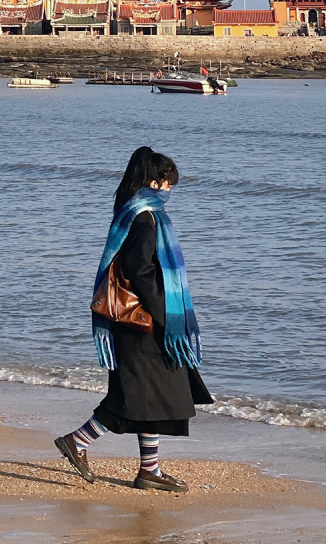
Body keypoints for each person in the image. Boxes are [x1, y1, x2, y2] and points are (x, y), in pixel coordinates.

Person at [55, 145, 212, 493]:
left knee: (151, 397)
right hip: (141, 323)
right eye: (169, 183)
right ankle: (77, 441)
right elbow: (139, 271)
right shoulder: (144, 217)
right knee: (133, 397)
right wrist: (164, 316)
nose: (171, 190)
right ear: (155, 183)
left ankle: (149, 470)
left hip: (134, 323)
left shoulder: (132, 211)